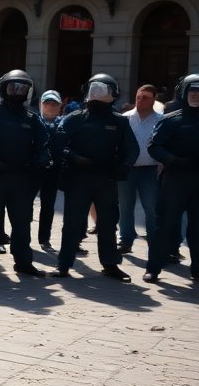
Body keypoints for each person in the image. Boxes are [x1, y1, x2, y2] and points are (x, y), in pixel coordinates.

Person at [54, 73, 138, 281]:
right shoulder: (74, 118)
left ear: (114, 93)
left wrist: (124, 165)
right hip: (78, 178)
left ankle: (110, 264)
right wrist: (73, 157)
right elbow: (57, 144)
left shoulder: (119, 121)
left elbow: (132, 149)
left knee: (108, 223)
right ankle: (64, 264)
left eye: (103, 90)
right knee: (72, 223)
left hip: (106, 178)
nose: (98, 94)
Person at [0, 71, 50, 279]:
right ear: (4, 89)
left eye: (22, 88)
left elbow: (44, 144)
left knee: (22, 222)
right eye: (13, 87)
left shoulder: (32, 119)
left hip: (21, 177)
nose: (18, 92)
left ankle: (23, 262)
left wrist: (40, 160)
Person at [143, 73, 198, 284]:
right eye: (192, 91)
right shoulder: (171, 120)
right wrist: (172, 159)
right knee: (165, 225)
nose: (196, 96)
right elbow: (154, 146)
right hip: (175, 179)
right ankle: (153, 268)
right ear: (183, 93)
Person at [118, 84, 162, 255]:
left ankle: (154, 240)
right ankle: (125, 240)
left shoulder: (161, 119)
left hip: (150, 170)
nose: (140, 100)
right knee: (125, 206)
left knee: (151, 207)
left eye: (145, 97)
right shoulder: (125, 118)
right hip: (127, 169)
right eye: (138, 96)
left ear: (153, 100)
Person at [37, 91, 66, 251]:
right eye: (47, 103)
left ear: (59, 107)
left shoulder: (64, 124)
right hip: (34, 170)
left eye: (54, 104)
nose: (50, 106)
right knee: (25, 206)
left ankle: (44, 238)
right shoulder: (34, 121)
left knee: (48, 205)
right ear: (41, 104)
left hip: (53, 170)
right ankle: (22, 236)